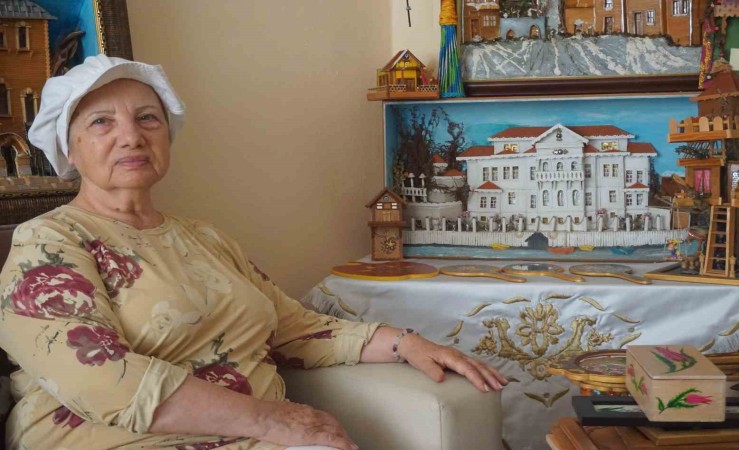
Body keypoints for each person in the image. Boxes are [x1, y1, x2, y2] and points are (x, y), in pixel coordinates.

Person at [0, 55, 507, 450]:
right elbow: (99, 377)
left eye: (147, 118)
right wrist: (275, 420)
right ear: (69, 149)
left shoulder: (203, 237)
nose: (131, 136)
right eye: (101, 123)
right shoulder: (49, 240)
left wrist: (405, 343)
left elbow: (293, 327)